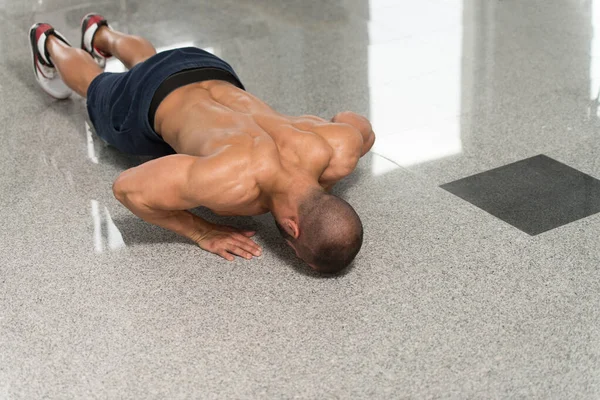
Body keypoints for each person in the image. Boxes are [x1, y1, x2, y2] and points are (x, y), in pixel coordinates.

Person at [28, 14, 375, 273]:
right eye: (296, 252)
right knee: (95, 86)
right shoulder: (231, 182)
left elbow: (361, 127)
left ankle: (101, 32)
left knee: (151, 64)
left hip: (206, 67)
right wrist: (201, 232)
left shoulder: (336, 152)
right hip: (147, 99)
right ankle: (49, 43)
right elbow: (127, 189)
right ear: (292, 228)